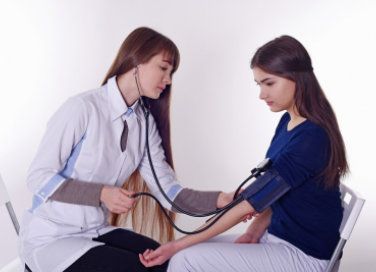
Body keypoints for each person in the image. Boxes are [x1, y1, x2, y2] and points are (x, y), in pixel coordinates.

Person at [19, 27, 235, 272]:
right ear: (137, 62)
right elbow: (38, 178)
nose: (169, 79)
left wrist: (221, 200)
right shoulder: (82, 108)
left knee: (170, 263)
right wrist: (101, 193)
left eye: (172, 71)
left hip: (95, 231)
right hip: (52, 237)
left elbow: (168, 192)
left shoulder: (144, 123)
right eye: (163, 68)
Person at [139, 35, 348, 272]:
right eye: (259, 85)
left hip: (303, 256)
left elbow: (249, 204)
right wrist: (254, 231)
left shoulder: (311, 138)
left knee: (183, 258)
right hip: (277, 238)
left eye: (269, 83)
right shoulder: (289, 122)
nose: (262, 94)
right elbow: (276, 191)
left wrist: (175, 245)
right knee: (186, 253)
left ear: (297, 78)